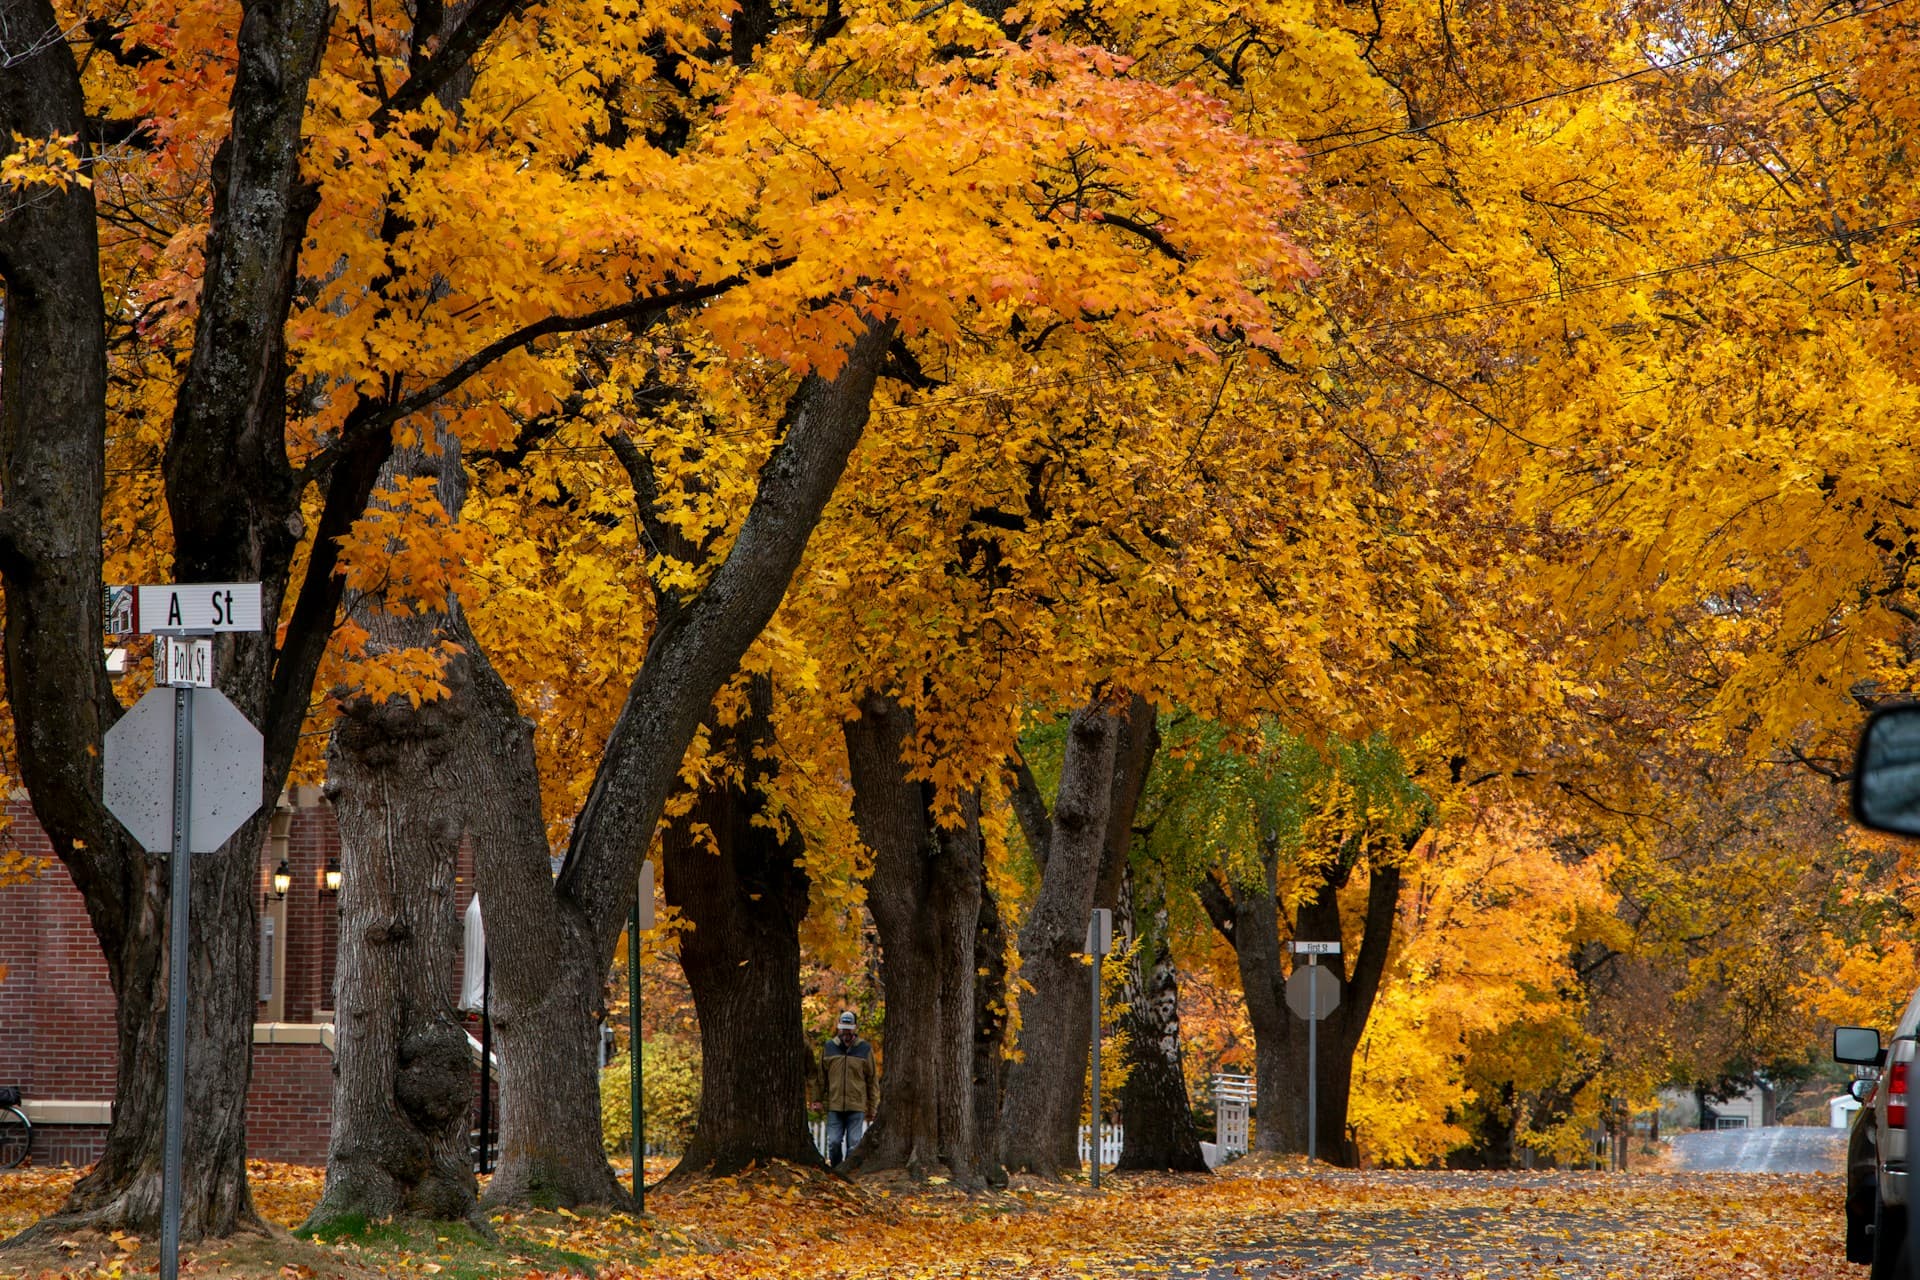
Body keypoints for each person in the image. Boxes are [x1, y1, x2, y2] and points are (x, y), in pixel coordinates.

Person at [819, 1009, 875, 1168]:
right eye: (843, 1028)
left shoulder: (865, 1048)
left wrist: (872, 1106)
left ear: (855, 1028)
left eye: (849, 1029)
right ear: (839, 1027)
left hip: (856, 1105)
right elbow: (821, 1077)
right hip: (834, 1104)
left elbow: (871, 1080)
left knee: (854, 1145)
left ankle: (849, 1172)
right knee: (834, 1143)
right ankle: (836, 1170)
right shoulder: (829, 1047)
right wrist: (817, 1099)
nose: (846, 1032)